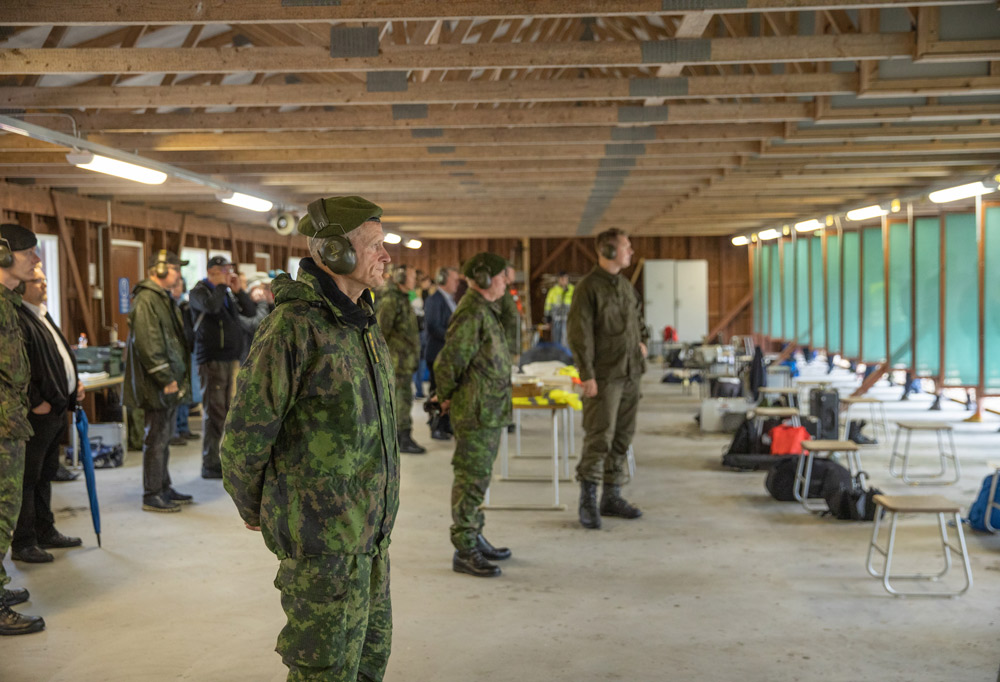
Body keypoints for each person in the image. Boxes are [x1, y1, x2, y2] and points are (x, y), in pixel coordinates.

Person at [221, 195, 399, 681]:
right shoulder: (294, 327)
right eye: (375, 246)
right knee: (323, 671)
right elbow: (243, 438)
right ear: (337, 252)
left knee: (368, 661)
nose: (386, 256)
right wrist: (258, 508)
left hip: (370, 537)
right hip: (322, 542)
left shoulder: (360, 322)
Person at [433, 253, 513, 578]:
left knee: (479, 479)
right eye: (502, 276)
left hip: (488, 410)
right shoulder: (472, 313)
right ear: (483, 279)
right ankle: (465, 548)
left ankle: (474, 535)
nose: (507, 281)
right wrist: (447, 396)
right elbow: (448, 362)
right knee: (470, 479)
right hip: (477, 412)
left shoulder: (485, 310)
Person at [567, 228, 648, 530]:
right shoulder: (589, 288)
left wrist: (643, 341)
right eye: (627, 247)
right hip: (605, 376)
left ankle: (611, 495)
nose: (631, 253)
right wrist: (586, 375)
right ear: (609, 252)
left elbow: (638, 320)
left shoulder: (625, 286)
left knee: (623, 437)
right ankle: (588, 498)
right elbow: (580, 334)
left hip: (630, 373)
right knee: (599, 436)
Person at [12, 264, 85, 564]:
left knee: (45, 475)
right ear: (20, 286)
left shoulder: (41, 314)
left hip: (56, 410)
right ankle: (24, 541)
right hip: (37, 414)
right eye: (37, 281)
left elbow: (57, 357)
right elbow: (18, 369)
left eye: (44, 280)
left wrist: (73, 384)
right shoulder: (17, 318)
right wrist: (35, 402)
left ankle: (45, 530)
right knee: (29, 479)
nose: (44, 285)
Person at [123, 249, 194, 513]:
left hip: (167, 381)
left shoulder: (160, 298)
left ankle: (163, 486)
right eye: (175, 268)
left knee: (163, 437)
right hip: (159, 383)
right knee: (156, 439)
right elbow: (149, 343)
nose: (178, 274)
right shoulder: (147, 300)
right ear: (160, 269)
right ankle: (152, 493)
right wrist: (165, 377)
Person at [0, 223, 45, 635]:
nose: (36, 258)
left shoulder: (7, 301)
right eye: (28, 252)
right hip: (2, 426)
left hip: (9, 421)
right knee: (0, 514)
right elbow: (12, 368)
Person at [188, 255, 256, 479]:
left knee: (229, 412)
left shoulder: (226, 292)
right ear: (212, 272)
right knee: (215, 412)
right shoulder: (199, 292)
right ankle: (209, 463)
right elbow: (212, 308)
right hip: (211, 360)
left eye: (229, 270)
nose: (228, 274)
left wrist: (238, 291)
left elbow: (250, 312)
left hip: (231, 359)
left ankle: (223, 458)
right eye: (224, 270)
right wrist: (219, 286)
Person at [376, 264, 426, 455]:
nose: (415, 281)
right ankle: (401, 437)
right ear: (401, 278)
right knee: (401, 400)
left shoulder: (404, 299)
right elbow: (381, 333)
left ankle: (403, 435)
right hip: (396, 362)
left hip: (405, 361)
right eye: (412, 277)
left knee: (405, 398)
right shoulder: (391, 301)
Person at [423, 266, 459, 440]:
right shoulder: (434, 300)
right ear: (444, 280)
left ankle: (445, 425)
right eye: (454, 279)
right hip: (437, 353)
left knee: (447, 392)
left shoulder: (450, 299)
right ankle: (436, 426)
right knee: (437, 391)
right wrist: (454, 338)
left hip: (447, 355)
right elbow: (433, 326)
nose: (457, 283)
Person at [169, 277, 198, 446]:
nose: (177, 288)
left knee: (185, 393)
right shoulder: (171, 307)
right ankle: (174, 431)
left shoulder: (184, 306)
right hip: (175, 356)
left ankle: (183, 428)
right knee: (175, 395)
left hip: (186, 352)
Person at [544, 271, 574, 348]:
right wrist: (548, 320)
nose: (563, 280)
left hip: (569, 320)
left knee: (568, 340)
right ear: (558, 279)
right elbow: (548, 306)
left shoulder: (573, 290)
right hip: (556, 320)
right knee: (556, 340)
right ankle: (557, 356)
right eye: (562, 278)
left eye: (565, 278)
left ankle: (567, 357)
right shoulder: (553, 291)